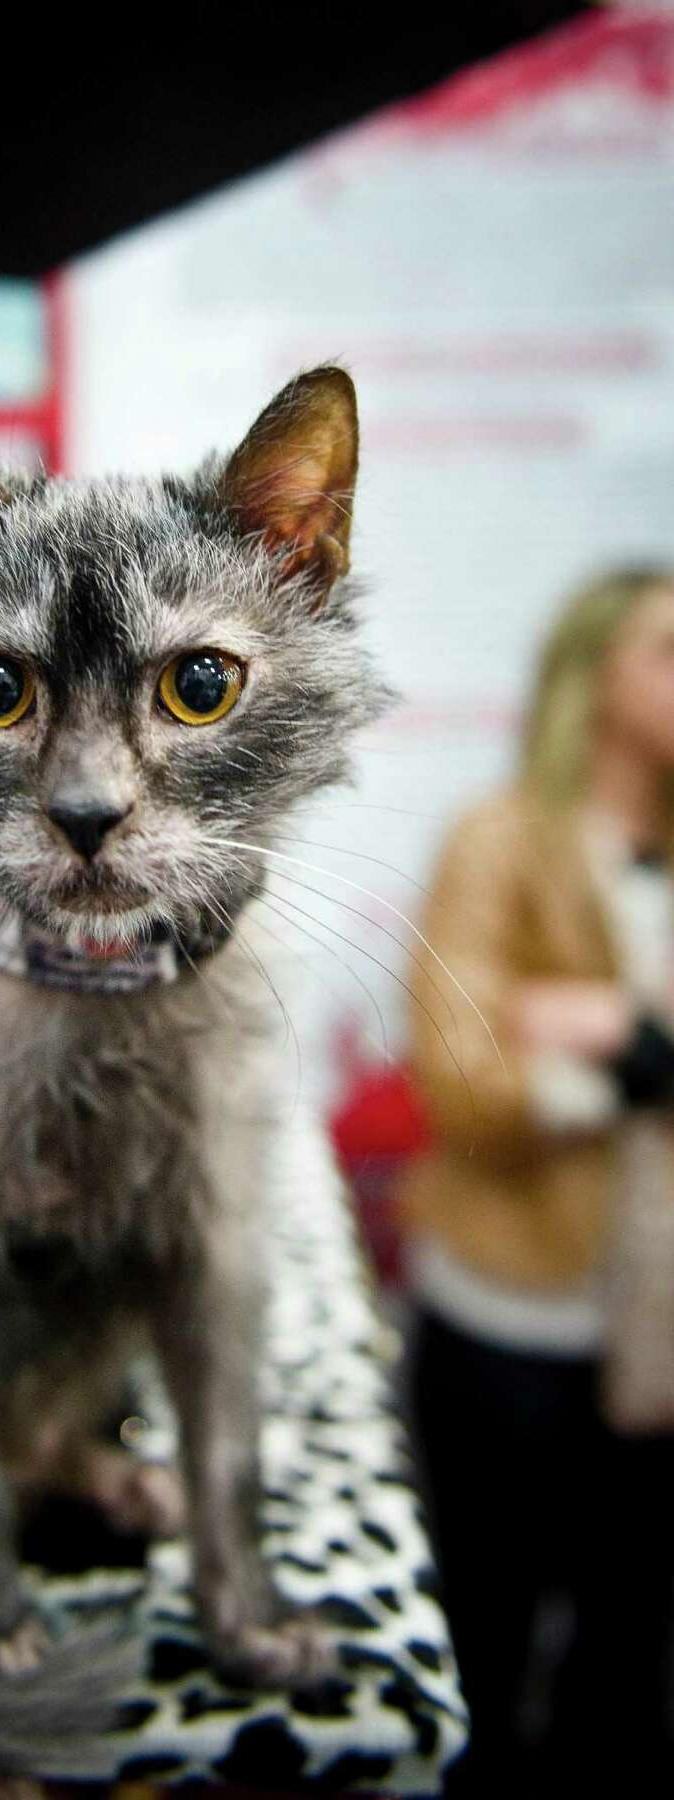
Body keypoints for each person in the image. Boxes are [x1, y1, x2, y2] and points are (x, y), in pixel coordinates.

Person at [400, 567, 674, 1796]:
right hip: (513, 1316)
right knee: (483, 1652)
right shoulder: (499, 839)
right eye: (667, 649)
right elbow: (466, 1085)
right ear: (594, 678)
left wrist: (576, 1017)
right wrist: (629, 1052)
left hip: (659, 1339)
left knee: (629, 1668)